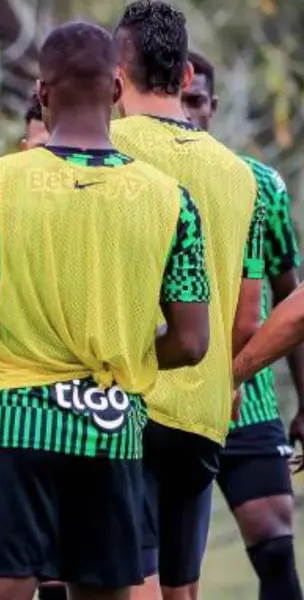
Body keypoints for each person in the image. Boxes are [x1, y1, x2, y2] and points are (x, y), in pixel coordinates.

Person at [0, 20, 212, 600]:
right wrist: (124, 345)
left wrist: (13, 336)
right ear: (115, 90)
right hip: (109, 429)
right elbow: (191, 342)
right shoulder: (172, 201)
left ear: (41, 94)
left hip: (10, 423)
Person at [110, 3, 267, 599]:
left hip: (125, 406)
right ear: (184, 80)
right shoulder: (242, 175)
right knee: (181, 588)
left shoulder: (100, 150)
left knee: (130, 586)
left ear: (114, 77)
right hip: (205, 411)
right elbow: (245, 314)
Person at [183, 49, 303, 600]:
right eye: (179, 101)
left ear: (213, 106)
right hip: (167, 396)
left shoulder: (259, 184)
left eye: (196, 102)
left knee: (275, 541)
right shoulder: (136, 180)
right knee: (169, 562)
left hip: (247, 396)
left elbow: (290, 298)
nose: (187, 114)